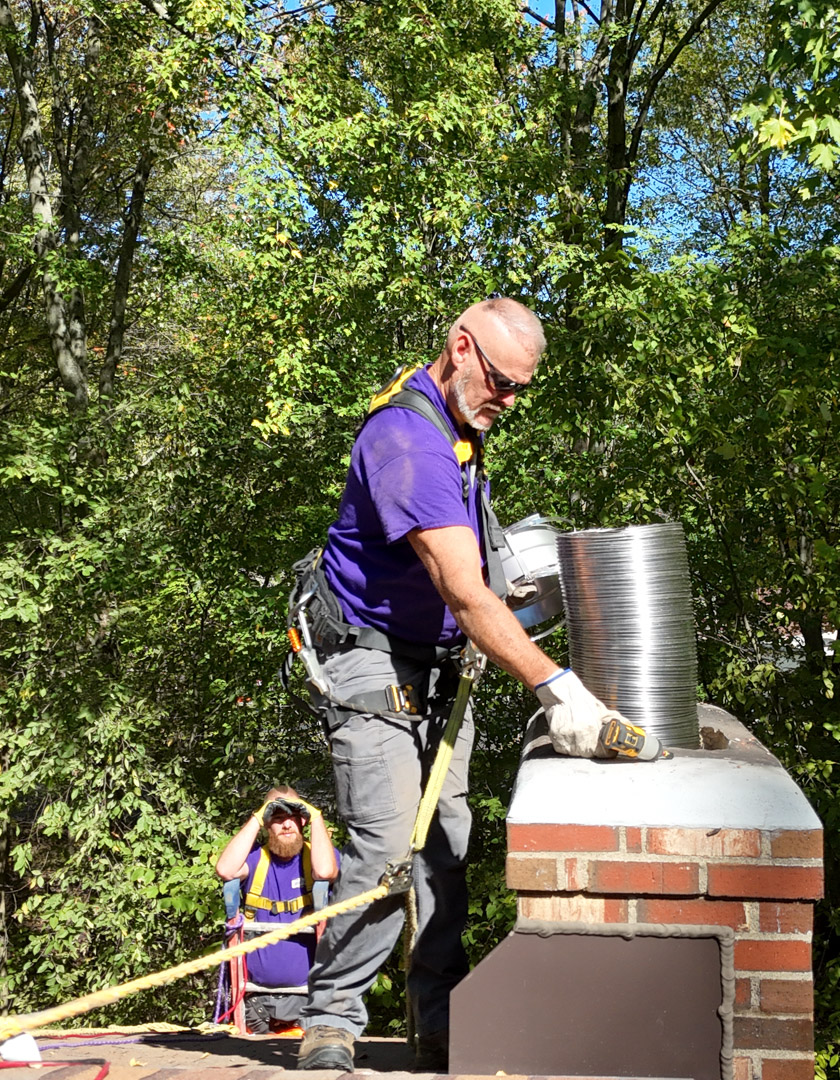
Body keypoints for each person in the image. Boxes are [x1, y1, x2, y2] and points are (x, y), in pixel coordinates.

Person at [294, 297, 628, 1072]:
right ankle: (332, 1022)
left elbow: (478, 574)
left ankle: (436, 1020)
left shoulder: (459, 422)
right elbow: (463, 590)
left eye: (521, 390)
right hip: (370, 659)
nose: (508, 403)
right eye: (502, 384)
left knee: (445, 840)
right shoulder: (406, 442)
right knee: (385, 845)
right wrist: (560, 691)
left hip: (441, 661)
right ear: (462, 347)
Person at [216, 787, 340, 1034]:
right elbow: (226, 870)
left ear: (302, 821)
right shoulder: (255, 860)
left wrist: (315, 816)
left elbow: (326, 872)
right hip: (254, 1003)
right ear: (266, 825)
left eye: (293, 816)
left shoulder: (314, 858)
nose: (286, 825)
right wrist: (258, 816)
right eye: (277, 817)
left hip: (309, 1003)